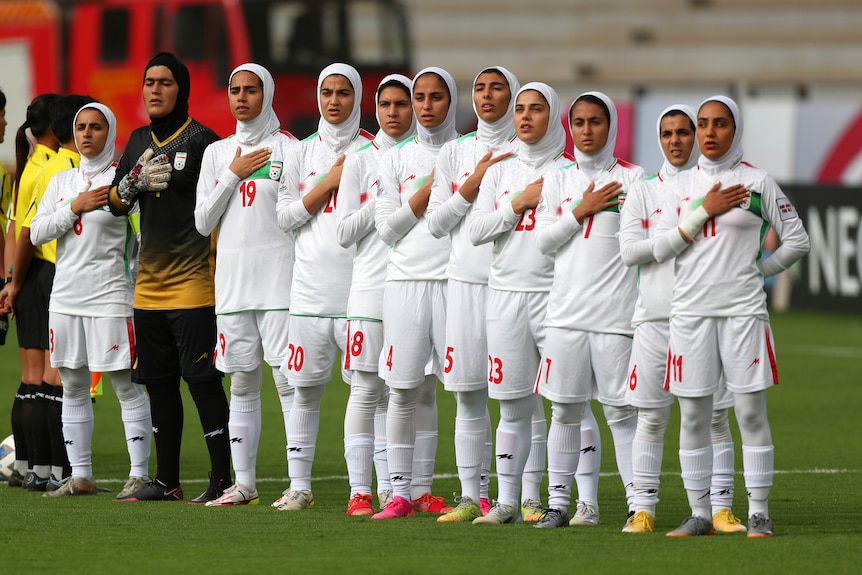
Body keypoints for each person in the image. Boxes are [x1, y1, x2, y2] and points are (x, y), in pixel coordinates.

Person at [653, 95, 809, 537]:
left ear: (735, 129)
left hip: (744, 314)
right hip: (689, 316)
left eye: (719, 123)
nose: (708, 132)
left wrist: (760, 271)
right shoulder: (679, 186)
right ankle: (700, 514)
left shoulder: (758, 183)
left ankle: (758, 511)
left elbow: (797, 240)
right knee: (695, 417)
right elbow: (664, 246)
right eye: (702, 123)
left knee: (750, 415)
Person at [108, 52, 230, 504]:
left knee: (201, 379)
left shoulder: (204, 142)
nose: (154, 90)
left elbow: (220, 209)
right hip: (148, 286)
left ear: (182, 90)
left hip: (194, 281)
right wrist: (131, 182)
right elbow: (116, 204)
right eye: (149, 82)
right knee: (158, 383)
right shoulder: (138, 138)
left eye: (165, 82)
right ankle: (168, 481)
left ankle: (221, 478)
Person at [619, 104, 746, 533]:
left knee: (714, 416)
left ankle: (719, 510)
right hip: (654, 319)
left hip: (707, 319)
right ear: (659, 138)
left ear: (697, 137)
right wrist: (686, 228)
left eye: (684, 132)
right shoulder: (644, 189)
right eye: (667, 133)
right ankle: (644, 509)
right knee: (651, 418)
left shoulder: (721, 187)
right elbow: (630, 252)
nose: (675, 140)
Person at [30, 102, 152, 497]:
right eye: (81, 127)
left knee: (125, 384)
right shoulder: (62, 183)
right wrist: (75, 207)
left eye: (96, 127)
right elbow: (36, 233)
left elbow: (140, 237)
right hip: (65, 298)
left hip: (111, 297)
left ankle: (138, 474)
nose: (86, 134)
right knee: (73, 384)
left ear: (110, 132)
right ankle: (80, 475)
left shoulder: (124, 181)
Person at [534, 91, 644, 528]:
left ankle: (640, 504)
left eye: (595, 121)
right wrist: (582, 209)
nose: (586, 130)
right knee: (564, 411)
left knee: (621, 413)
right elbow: (543, 243)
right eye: (578, 122)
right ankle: (563, 505)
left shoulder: (637, 181)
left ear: (610, 125)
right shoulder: (557, 178)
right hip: (564, 317)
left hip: (617, 319)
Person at [468, 82, 573, 525]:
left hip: (558, 300)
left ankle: (563, 502)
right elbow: (476, 231)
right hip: (506, 297)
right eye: (520, 109)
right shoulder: (499, 170)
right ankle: (508, 503)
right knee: (511, 405)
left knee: (565, 404)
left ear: (554, 118)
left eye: (537, 109)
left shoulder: (571, 171)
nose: (526, 117)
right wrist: (517, 203)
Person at [194, 63, 297, 507]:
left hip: (280, 285)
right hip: (233, 288)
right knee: (242, 384)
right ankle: (245, 485)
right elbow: (202, 223)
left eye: (251, 90)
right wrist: (233, 174)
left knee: (288, 382)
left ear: (267, 94)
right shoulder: (217, 153)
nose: (241, 97)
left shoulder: (290, 149)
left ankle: (300, 484)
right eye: (234, 89)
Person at [273, 62, 372, 511]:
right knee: (303, 392)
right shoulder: (300, 152)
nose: (334, 101)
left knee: (373, 393)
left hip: (361, 294)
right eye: (327, 92)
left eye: (344, 93)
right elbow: (285, 217)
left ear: (357, 99)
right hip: (309, 294)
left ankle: (366, 490)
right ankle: (300, 487)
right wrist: (327, 185)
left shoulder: (374, 152)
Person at [424, 66, 519, 522]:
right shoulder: (455, 152)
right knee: (467, 394)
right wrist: (472, 184)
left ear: (513, 95)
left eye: (496, 87)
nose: (486, 95)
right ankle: (471, 496)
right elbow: (437, 223)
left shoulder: (527, 154)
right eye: (479, 87)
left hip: (513, 287)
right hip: (461, 282)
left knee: (519, 397)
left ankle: (527, 498)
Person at [371, 67, 459, 520]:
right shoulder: (392, 159)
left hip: (456, 284)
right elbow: (386, 230)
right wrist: (427, 193)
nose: (426, 106)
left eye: (435, 97)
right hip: (404, 285)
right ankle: (400, 494)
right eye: (419, 97)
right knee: (402, 391)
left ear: (451, 101)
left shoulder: (470, 154)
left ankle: (468, 495)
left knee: (463, 392)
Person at [336, 74, 416, 516]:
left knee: (407, 392)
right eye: (385, 103)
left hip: (413, 289)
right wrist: (388, 199)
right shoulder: (359, 160)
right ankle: (359, 491)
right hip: (368, 289)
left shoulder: (428, 157)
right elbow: (345, 231)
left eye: (401, 103)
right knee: (366, 390)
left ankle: (397, 489)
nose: (393, 111)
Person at [0, 93, 61, 490]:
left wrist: (9, 281)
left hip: (25, 275)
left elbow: (12, 229)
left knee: (31, 377)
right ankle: (55, 471)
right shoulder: (56, 168)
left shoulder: (23, 170)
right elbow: (25, 234)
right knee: (55, 378)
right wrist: (15, 282)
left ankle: (27, 466)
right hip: (49, 272)